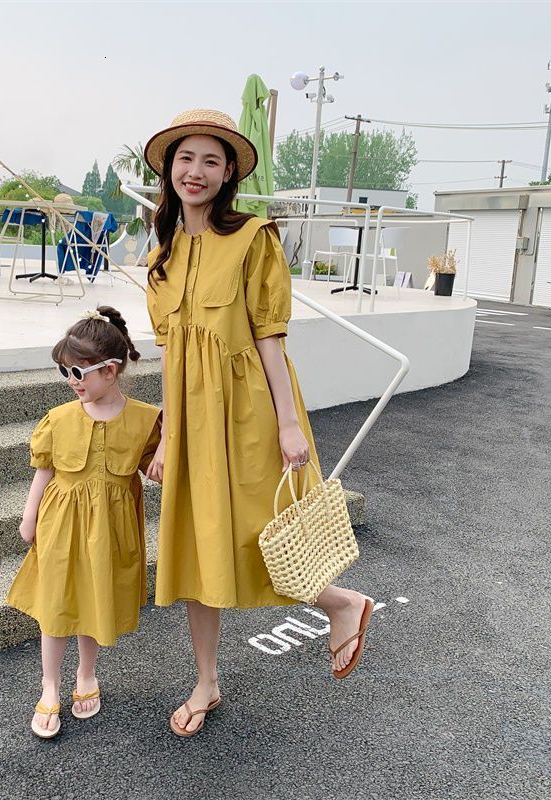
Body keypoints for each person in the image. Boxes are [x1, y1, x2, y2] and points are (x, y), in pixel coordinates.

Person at [143, 109, 374, 737]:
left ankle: (340, 602)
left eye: (210, 161)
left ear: (228, 175)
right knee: (196, 543)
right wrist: (165, 435)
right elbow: (170, 355)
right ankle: (206, 682)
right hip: (190, 419)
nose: (195, 171)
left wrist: (288, 423)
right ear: (169, 169)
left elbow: (270, 338)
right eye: (185, 158)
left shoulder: (253, 237)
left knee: (257, 528)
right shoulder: (161, 255)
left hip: (247, 410)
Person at [6, 306, 162, 739]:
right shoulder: (59, 419)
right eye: (64, 371)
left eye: (78, 372)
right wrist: (29, 515)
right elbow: (45, 471)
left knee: (94, 602)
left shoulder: (145, 420)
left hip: (110, 532)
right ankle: (49, 684)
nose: (71, 381)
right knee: (55, 606)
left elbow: (158, 470)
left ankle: (87, 673)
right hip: (60, 526)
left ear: (110, 370)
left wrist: (172, 440)